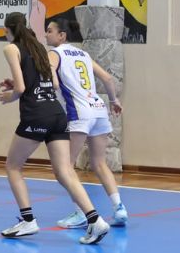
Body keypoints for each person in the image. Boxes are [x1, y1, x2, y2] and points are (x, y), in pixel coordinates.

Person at [0, 12, 109, 245]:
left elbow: (21, 88)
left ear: (7, 30)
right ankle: (95, 220)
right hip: (57, 114)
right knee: (64, 171)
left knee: (13, 166)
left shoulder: (11, 48)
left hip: (36, 115)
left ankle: (28, 220)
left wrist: (10, 95)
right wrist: (19, 83)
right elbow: (53, 83)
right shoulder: (39, 47)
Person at [45, 18, 128, 228]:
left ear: (62, 35)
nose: (46, 34)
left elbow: (50, 70)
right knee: (99, 163)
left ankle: (82, 212)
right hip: (99, 109)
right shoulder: (83, 54)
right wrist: (114, 101)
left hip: (79, 112)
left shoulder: (55, 53)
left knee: (65, 167)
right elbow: (108, 78)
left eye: (50, 31)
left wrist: (51, 82)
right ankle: (119, 208)